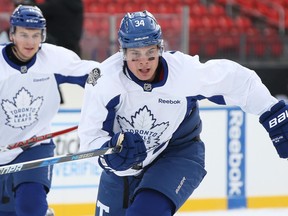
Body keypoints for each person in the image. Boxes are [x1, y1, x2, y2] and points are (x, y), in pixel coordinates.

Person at [78, 10, 288, 216]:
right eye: (135, 54)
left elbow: (239, 81)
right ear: (123, 52)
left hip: (177, 153)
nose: (143, 61)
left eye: (150, 52)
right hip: (123, 166)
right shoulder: (103, 80)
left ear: (160, 48)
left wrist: (272, 111)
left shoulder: (184, 73)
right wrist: (110, 155)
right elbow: (89, 139)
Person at [0, 5, 99, 216]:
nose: (30, 42)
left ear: (43, 35)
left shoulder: (55, 59)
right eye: (24, 34)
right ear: (12, 34)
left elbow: (96, 75)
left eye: (36, 35)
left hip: (35, 145)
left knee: (30, 207)